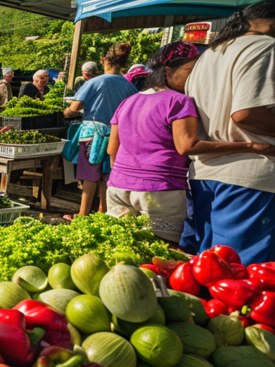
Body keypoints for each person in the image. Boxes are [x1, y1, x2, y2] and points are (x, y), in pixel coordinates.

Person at [106, 41, 272, 244]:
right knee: (161, 256)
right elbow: (186, 146)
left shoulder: (128, 101)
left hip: (117, 186)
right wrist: (251, 146)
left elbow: (112, 149)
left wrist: (124, 177)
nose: (195, 77)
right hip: (159, 190)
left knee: (121, 251)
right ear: (168, 70)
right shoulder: (178, 101)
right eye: (190, 71)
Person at [185, 1, 275, 264]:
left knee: (208, 270)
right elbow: (246, 114)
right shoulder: (265, 46)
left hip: (207, 174)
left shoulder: (211, 53)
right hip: (250, 177)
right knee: (243, 278)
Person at [63, 43, 138, 217]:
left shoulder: (95, 82)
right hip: (116, 135)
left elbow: (75, 106)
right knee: (106, 174)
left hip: (93, 134)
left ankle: (82, 215)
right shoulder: (128, 85)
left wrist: (66, 111)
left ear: (103, 60)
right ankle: (103, 210)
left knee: (89, 175)